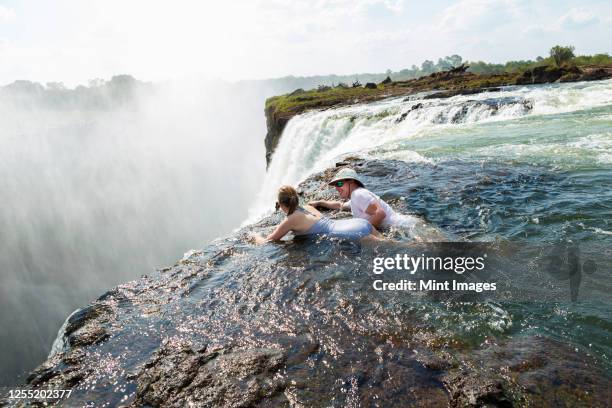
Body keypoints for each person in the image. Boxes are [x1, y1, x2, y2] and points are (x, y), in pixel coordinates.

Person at [252, 185, 381, 244]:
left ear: (280, 204)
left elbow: (267, 241)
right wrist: (320, 202)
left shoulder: (290, 220)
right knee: (395, 245)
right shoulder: (307, 207)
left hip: (349, 234)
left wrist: (254, 235)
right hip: (358, 224)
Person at [309, 167, 415, 229]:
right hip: (404, 226)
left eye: (340, 183)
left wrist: (365, 232)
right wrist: (319, 202)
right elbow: (340, 205)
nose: (337, 187)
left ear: (351, 181)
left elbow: (380, 213)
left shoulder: (358, 195)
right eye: (335, 185)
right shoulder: (356, 197)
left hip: (404, 227)